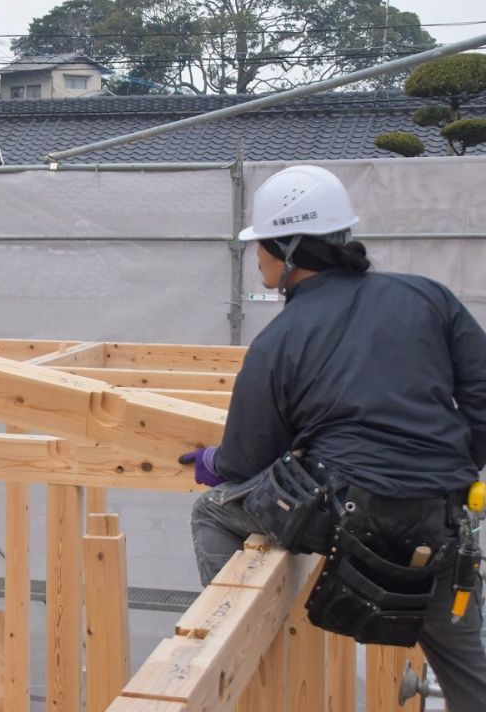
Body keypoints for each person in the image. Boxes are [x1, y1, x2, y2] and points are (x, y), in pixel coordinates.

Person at [179, 164, 486, 710]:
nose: (258, 258)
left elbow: (248, 459)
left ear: (289, 251)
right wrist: (450, 468)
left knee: (212, 510)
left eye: (262, 246)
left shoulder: (279, 341)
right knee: (468, 670)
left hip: (344, 516)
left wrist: (211, 460)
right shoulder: (428, 298)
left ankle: (239, 649)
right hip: (436, 519)